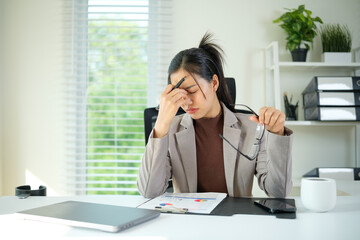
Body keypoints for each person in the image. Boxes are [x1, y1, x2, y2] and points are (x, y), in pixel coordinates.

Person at [137, 33, 293, 198]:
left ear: (214, 83)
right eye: (179, 93)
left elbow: (278, 192)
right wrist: (161, 125)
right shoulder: (170, 130)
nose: (186, 101)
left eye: (191, 90)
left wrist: (277, 134)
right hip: (187, 221)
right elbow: (149, 192)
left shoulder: (252, 128)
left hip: (236, 220)